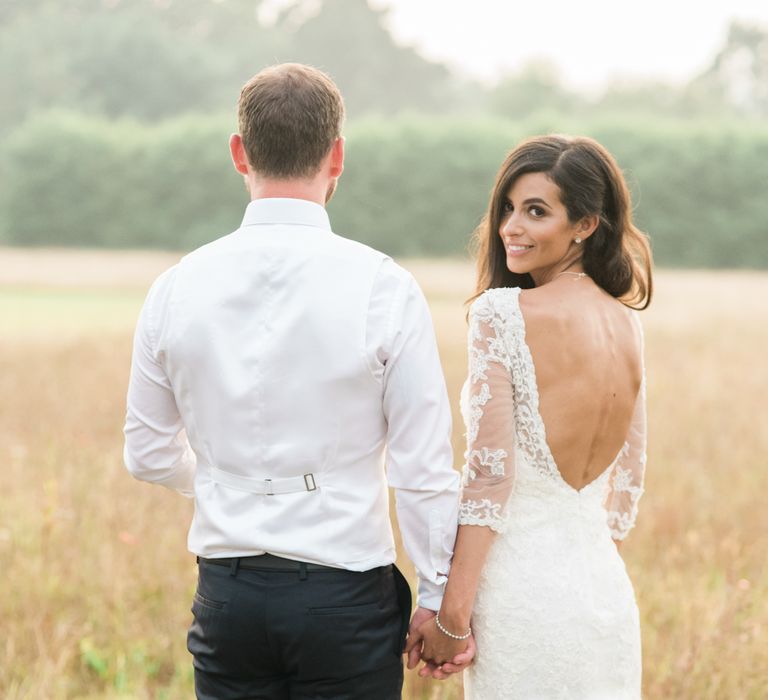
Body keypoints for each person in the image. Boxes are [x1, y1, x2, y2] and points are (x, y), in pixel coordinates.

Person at [122, 63, 465, 699]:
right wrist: (438, 601)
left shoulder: (174, 288)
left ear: (238, 153)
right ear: (337, 156)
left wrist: (234, 481)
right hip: (345, 597)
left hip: (228, 599)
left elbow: (145, 455)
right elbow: (422, 467)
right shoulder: (384, 287)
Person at [407, 134, 653, 698]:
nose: (510, 228)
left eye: (536, 211)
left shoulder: (503, 314)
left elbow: (489, 481)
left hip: (523, 601)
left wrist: (451, 620)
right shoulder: (627, 324)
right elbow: (628, 482)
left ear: (585, 224)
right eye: (508, 209)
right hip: (604, 599)